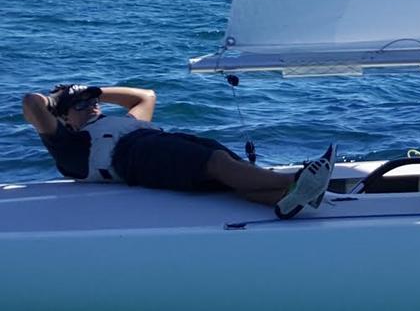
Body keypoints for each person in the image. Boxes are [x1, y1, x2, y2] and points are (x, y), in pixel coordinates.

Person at [21, 84, 333, 219]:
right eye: (80, 105)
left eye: (93, 102)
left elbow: (146, 97)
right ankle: (297, 181)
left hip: (162, 144)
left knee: (226, 171)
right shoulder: (71, 145)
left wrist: (95, 90)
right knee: (216, 163)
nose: (90, 106)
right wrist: (58, 97)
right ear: (63, 117)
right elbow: (31, 104)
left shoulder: (117, 122)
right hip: (136, 157)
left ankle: (283, 200)